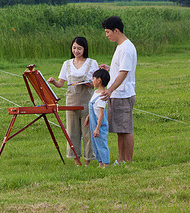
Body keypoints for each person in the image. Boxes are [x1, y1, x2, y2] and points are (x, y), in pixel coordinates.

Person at [47, 36, 99, 165]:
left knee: (87, 132)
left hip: (87, 101)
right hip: (71, 102)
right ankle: (76, 160)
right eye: (74, 48)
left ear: (84, 49)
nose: (76, 51)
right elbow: (61, 83)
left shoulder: (92, 63)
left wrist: (91, 84)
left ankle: (88, 160)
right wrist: (54, 82)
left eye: (79, 48)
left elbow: (97, 83)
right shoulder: (67, 64)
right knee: (72, 132)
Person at [99, 15, 137, 164]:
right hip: (117, 95)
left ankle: (128, 161)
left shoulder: (127, 48)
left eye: (108, 32)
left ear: (116, 30)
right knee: (119, 130)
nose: (107, 35)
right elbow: (119, 69)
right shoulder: (120, 47)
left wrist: (110, 90)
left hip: (123, 95)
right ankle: (121, 160)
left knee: (126, 129)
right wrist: (110, 69)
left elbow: (124, 73)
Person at [84, 68, 111, 167]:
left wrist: (98, 128)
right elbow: (93, 108)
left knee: (101, 144)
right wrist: (88, 117)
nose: (92, 81)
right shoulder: (95, 93)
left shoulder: (102, 97)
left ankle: (106, 163)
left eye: (93, 78)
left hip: (99, 125)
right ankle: (100, 163)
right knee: (95, 144)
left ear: (99, 80)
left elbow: (101, 114)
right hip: (93, 122)